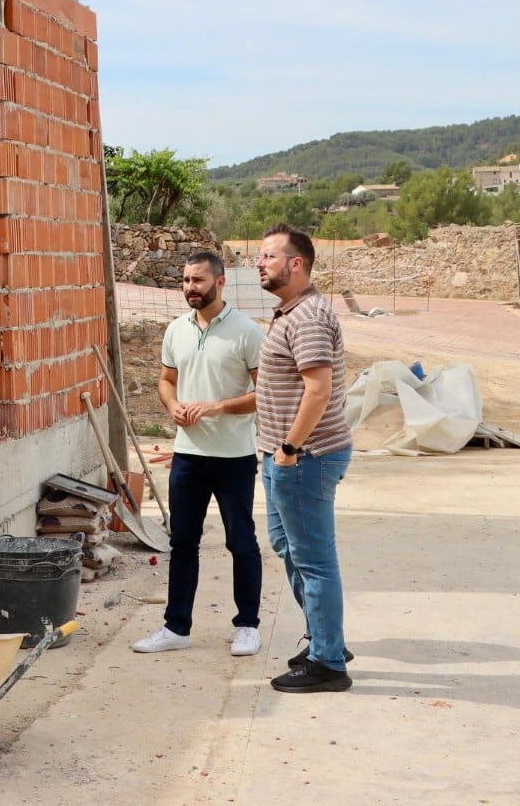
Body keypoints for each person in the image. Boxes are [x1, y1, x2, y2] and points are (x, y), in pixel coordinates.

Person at [132, 250, 266, 658]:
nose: (190, 288)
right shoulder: (176, 330)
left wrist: (217, 406)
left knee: (241, 541)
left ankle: (247, 626)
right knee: (183, 542)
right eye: (186, 280)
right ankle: (177, 627)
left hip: (234, 457)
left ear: (220, 282)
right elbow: (166, 380)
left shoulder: (247, 332)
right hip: (187, 456)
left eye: (198, 281)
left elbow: (265, 393)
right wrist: (172, 407)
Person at [255, 223, 355, 694]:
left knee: (314, 560)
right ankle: (325, 635)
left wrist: (289, 450)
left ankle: (328, 663)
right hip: (286, 458)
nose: (260, 262)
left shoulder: (309, 316)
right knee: (288, 547)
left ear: (297, 264)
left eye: (270, 256)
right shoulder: (289, 311)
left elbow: (318, 390)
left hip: (305, 457)